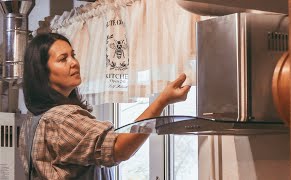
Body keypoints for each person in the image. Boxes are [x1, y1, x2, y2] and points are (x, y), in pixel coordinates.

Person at [19, 33, 191, 180]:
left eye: (73, 55)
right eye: (63, 59)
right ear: (43, 72)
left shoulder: (32, 121)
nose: (74, 63)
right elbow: (119, 148)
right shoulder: (63, 119)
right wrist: (162, 101)